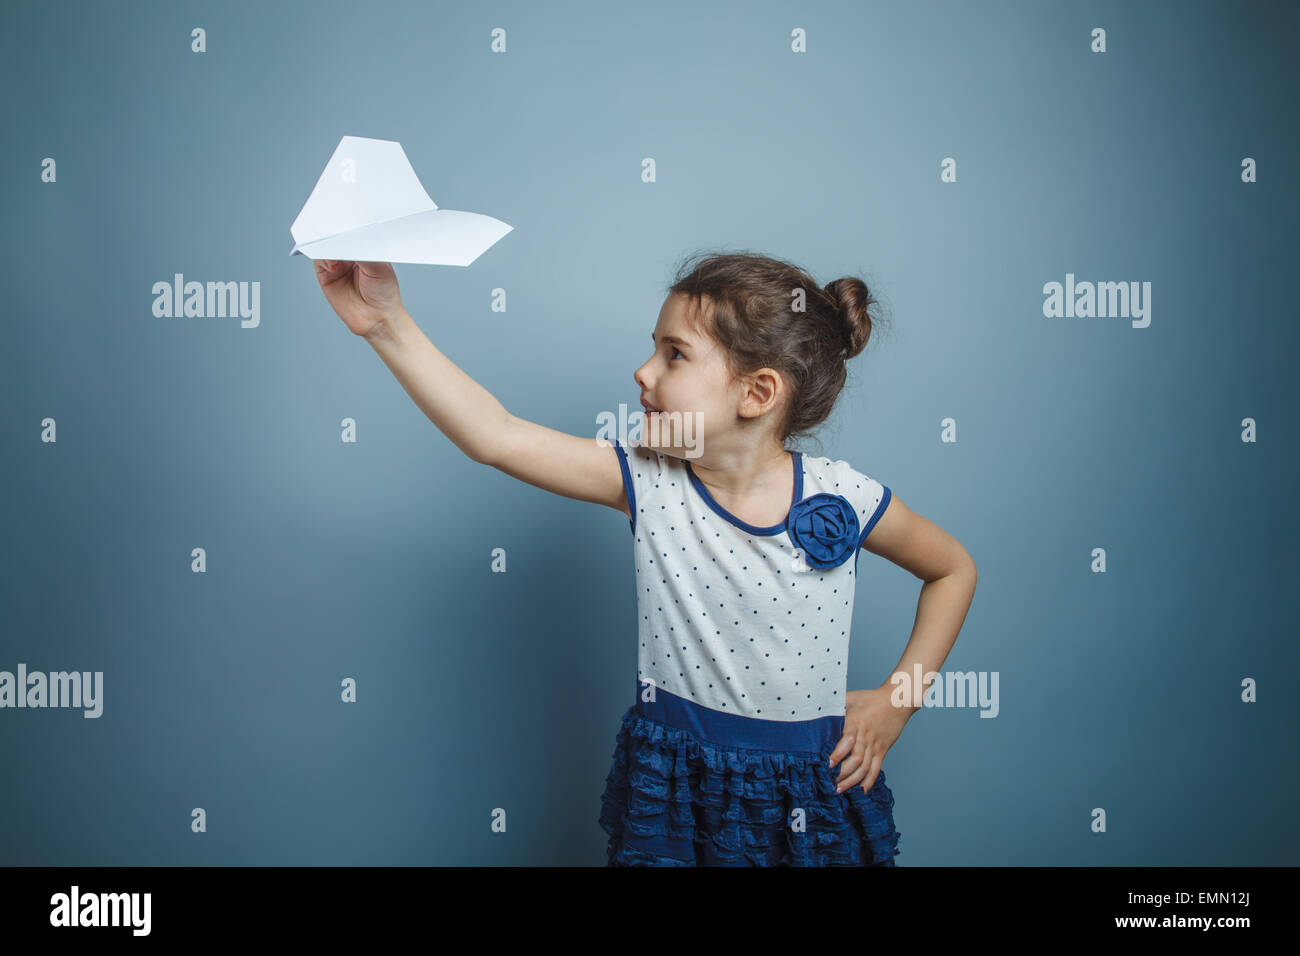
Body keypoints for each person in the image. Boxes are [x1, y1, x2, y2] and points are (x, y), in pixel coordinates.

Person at [312, 250, 978, 866]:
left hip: (809, 789)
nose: (643, 372)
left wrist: (900, 699)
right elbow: (497, 437)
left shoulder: (845, 496)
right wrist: (385, 324)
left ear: (757, 392)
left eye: (674, 355)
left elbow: (953, 569)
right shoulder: (647, 480)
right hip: (679, 786)